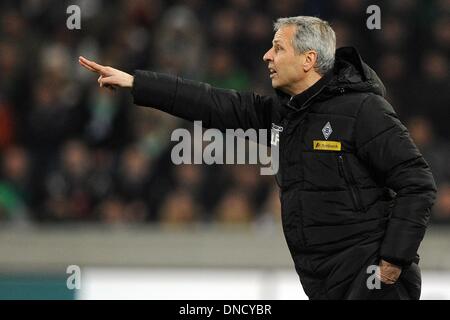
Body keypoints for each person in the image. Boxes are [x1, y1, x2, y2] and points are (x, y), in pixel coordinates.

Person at [79, 16, 437, 300]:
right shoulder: (285, 114)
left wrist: (392, 263)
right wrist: (138, 84)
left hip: (373, 284)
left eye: (278, 48)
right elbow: (211, 102)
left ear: (309, 59)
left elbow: (417, 183)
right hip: (326, 283)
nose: (267, 55)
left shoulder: (363, 110)